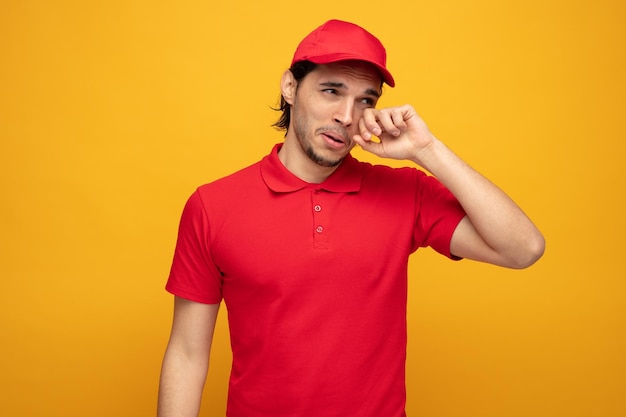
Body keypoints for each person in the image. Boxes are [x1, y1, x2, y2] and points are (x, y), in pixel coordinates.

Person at [157, 19, 545, 417]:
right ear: (290, 87)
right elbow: (187, 354)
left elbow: (523, 248)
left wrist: (427, 150)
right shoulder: (213, 205)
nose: (347, 115)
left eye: (366, 100)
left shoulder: (405, 193)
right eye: (331, 91)